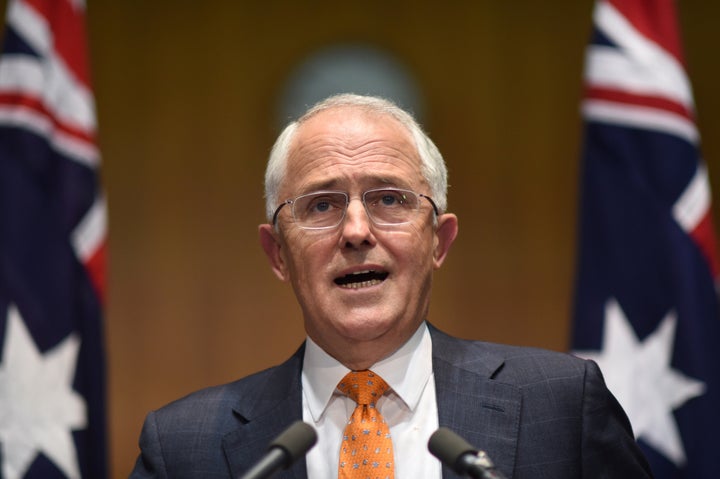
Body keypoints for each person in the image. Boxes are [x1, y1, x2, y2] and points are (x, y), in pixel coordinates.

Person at [130, 94, 652, 478]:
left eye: (390, 200)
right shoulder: (182, 447)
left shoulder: (559, 405)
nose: (356, 231)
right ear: (278, 254)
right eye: (321, 205)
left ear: (439, 242)